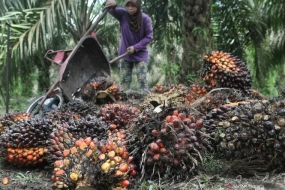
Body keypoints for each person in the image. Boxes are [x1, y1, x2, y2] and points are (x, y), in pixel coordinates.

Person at [105, 0, 153, 93]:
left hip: (140, 56)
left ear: (138, 6)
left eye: (133, 6)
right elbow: (110, 9)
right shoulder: (123, 14)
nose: (130, 8)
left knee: (142, 82)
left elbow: (149, 36)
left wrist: (135, 47)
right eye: (128, 5)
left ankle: (145, 103)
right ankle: (123, 105)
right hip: (125, 55)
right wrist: (114, 5)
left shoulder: (145, 19)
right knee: (124, 83)